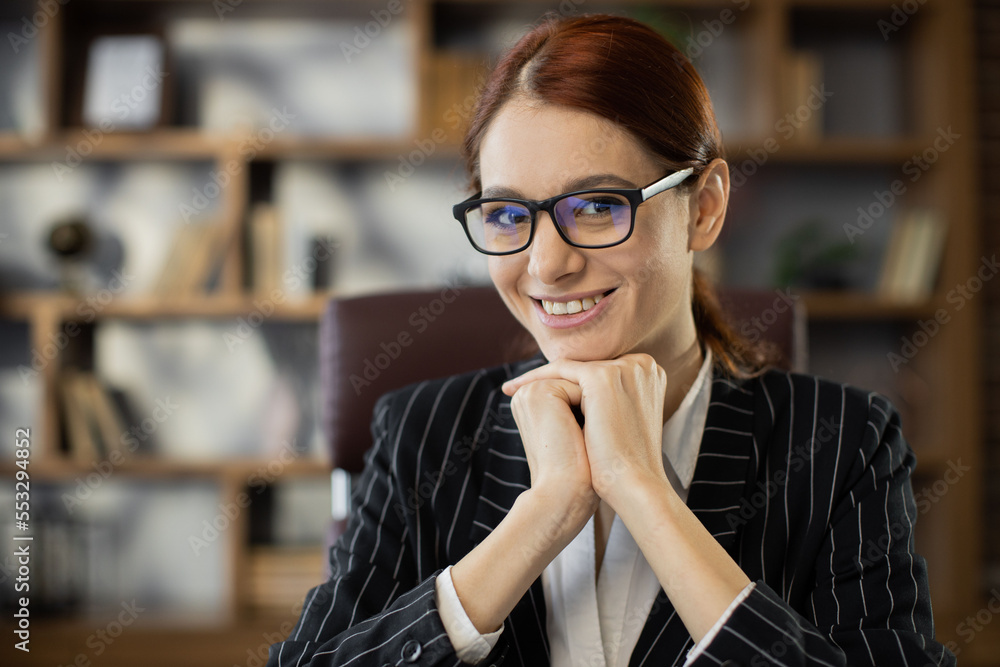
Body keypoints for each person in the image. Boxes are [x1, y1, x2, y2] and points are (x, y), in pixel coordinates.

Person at [268, 13, 955, 667]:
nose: (546, 264)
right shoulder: (423, 435)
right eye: (508, 214)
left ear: (705, 206)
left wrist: (645, 494)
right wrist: (539, 516)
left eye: (597, 206)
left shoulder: (843, 444)